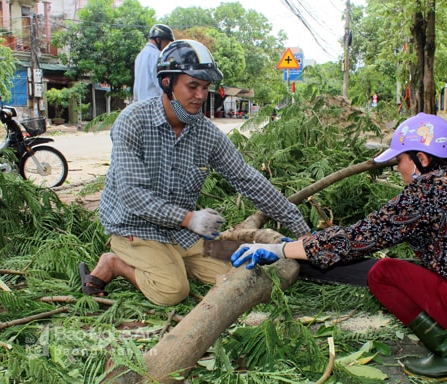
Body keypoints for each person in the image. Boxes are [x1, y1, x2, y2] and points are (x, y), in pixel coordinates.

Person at [230, 113, 447, 380]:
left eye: (400, 160)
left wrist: (280, 250)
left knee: (383, 273)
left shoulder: (426, 193)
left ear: (422, 159)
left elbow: (356, 239)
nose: (398, 168)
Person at [79, 39, 310, 306]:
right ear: (167, 83)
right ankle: (115, 263)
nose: (200, 96)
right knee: (172, 292)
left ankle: (179, 259)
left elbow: (247, 179)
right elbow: (133, 195)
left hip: (182, 234)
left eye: (205, 87)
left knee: (237, 275)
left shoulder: (206, 134)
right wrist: (189, 218)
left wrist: (302, 230)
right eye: (192, 86)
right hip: (135, 229)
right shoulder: (133, 122)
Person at [133, 24, 174, 102]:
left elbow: (136, 85)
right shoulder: (157, 55)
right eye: (167, 42)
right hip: (153, 104)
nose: (166, 46)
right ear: (158, 40)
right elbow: (159, 83)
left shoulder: (140, 55)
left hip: (140, 104)